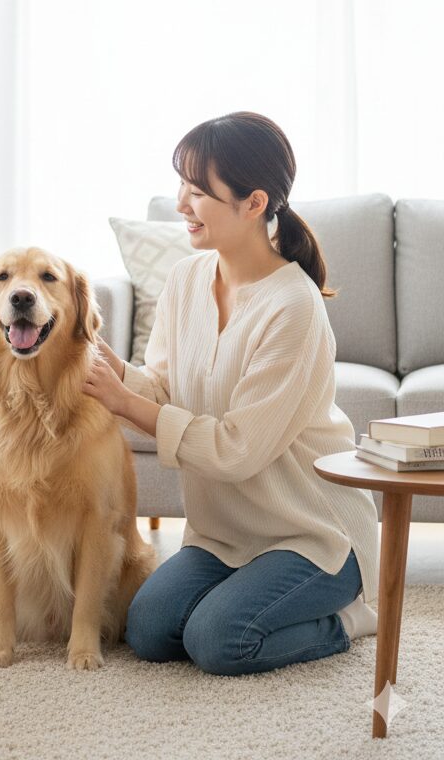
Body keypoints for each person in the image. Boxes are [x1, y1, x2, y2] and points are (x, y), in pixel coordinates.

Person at [82, 111, 380, 676]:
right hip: (225, 534)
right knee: (147, 630)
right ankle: (250, 592)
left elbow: (237, 449)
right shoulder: (185, 280)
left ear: (254, 203)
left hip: (312, 533)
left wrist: (125, 402)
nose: (181, 204)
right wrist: (120, 374)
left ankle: (348, 618)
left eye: (198, 192)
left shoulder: (293, 305)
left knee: (219, 640)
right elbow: (167, 390)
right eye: (182, 187)